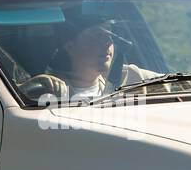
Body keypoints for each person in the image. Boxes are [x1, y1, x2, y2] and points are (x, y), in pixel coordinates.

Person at [20, 9, 159, 103]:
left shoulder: (132, 77)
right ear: (69, 45)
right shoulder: (48, 90)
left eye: (109, 34)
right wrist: (27, 90)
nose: (108, 42)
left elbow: (178, 86)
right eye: (97, 36)